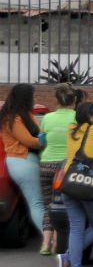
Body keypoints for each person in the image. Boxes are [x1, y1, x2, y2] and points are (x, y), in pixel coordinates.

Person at [55, 102, 93, 267]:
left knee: (76, 227)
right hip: (88, 184)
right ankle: (69, 259)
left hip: (69, 183)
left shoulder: (71, 129)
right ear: (89, 116)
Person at [0, 84, 46, 235]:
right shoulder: (11, 118)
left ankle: (50, 239)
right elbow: (30, 141)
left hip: (28, 162)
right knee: (37, 203)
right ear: (25, 98)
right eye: (33, 96)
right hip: (21, 161)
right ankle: (51, 242)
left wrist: (42, 137)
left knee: (39, 202)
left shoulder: (27, 115)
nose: (35, 98)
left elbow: (39, 135)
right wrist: (45, 140)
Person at [38, 83, 76, 256]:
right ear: (74, 100)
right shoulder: (77, 117)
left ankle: (45, 244)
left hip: (46, 163)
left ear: (56, 99)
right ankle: (57, 244)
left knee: (48, 206)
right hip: (66, 167)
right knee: (63, 206)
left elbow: (41, 142)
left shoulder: (47, 118)